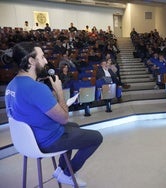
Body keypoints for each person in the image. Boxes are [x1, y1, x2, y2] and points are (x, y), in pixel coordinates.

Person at [5, 42, 103, 187]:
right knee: (96, 137)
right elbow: (63, 118)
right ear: (31, 61)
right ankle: (68, 173)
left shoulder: (12, 84)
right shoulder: (37, 88)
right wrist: (59, 92)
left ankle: (60, 169)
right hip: (45, 141)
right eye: (42, 57)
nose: (45, 61)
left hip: (26, 140)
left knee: (74, 126)